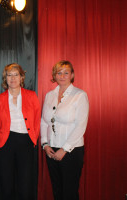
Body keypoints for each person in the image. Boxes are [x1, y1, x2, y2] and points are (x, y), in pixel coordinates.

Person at [41, 60, 89, 200]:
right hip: (51, 150)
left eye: (66, 73)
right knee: (57, 190)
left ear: (72, 75)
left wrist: (64, 149)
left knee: (69, 192)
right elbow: (44, 121)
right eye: (59, 73)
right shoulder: (49, 95)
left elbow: (81, 125)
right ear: (54, 76)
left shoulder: (80, 95)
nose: (62, 76)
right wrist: (45, 144)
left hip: (71, 151)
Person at [0, 63, 41, 200]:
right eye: (9, 75)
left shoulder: (32, 95)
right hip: (5, 143)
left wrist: (34, 139)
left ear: (22, 77)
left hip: (26, 142)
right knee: (6, 183)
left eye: (16, 75)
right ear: (5, 78)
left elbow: (37, 120)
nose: (13, 78)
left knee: (25, 183)